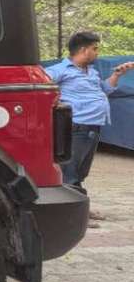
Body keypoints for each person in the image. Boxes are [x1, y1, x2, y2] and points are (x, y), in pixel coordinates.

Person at [45, 32, 134, 191]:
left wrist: (117, 74)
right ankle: (69, 209)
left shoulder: (91, 71)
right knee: (69, 171)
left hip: (93, 127)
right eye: (95, 48)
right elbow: (42, 86)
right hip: (76, 127)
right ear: (84, 50)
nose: (97, 53)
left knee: (80, 171)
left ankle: (80, 204)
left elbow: (104, 90)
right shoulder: (60, 70)